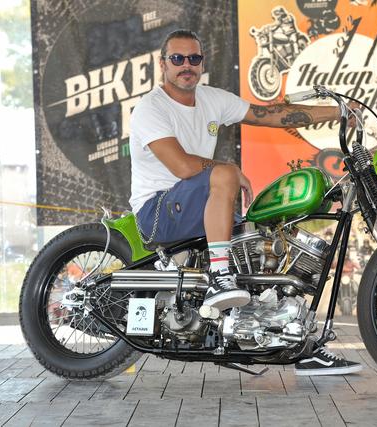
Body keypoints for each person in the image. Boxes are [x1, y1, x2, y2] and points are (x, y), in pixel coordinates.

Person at [129, 29, 362, 375]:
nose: (186, 65)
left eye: (194, 58)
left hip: (200, 207)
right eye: (177, 59)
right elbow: (182, 167)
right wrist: (229, 171)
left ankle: (299, 346)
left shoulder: (210, 98)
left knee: (269, 245)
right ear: (163, 64)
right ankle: (219, 277)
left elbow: (271, 114)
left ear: (202, 63)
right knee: (224, 173)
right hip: (158, 211)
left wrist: (338, 111)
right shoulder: (151, 107)